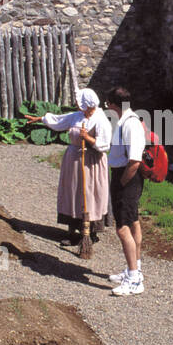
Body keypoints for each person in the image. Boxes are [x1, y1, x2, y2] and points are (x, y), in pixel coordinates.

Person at [24, 88, 111, 248]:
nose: (77, 105)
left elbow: (104, 144)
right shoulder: (77, 116)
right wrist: (40, 119)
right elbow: (59, 120)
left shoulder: (100, 119)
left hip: (92, 162)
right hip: (74, 161)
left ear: (88, 104)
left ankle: (90, 231)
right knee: (72, 192)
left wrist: (88, 138)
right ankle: (72, 232)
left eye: (80, 103)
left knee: (90, 194)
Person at [104, 87, 145, 296]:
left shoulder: (130, 124)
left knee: (122, 228)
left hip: (127, 177)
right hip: (126, 176)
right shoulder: (126, 120)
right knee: (133, 221)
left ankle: (134, 279)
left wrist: (121, 182)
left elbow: (135, 161)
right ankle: (134, 269)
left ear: (113, 104)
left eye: (107, 104)